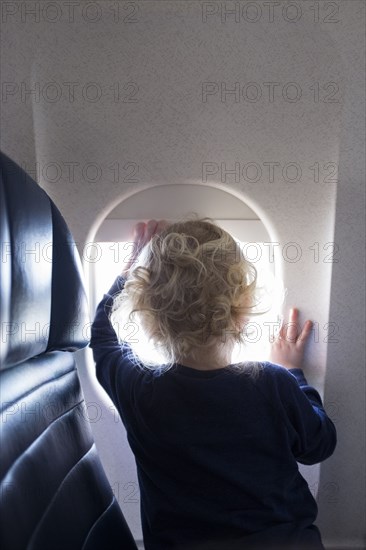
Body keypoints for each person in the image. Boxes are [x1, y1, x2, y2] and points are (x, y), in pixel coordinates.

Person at [90, 218, 337, 550]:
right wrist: (293, 372)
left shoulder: (138, 390)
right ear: (243, 307)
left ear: (148, 315)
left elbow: (101, 336)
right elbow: (319, 445)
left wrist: (132, 265)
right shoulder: (273, 383)